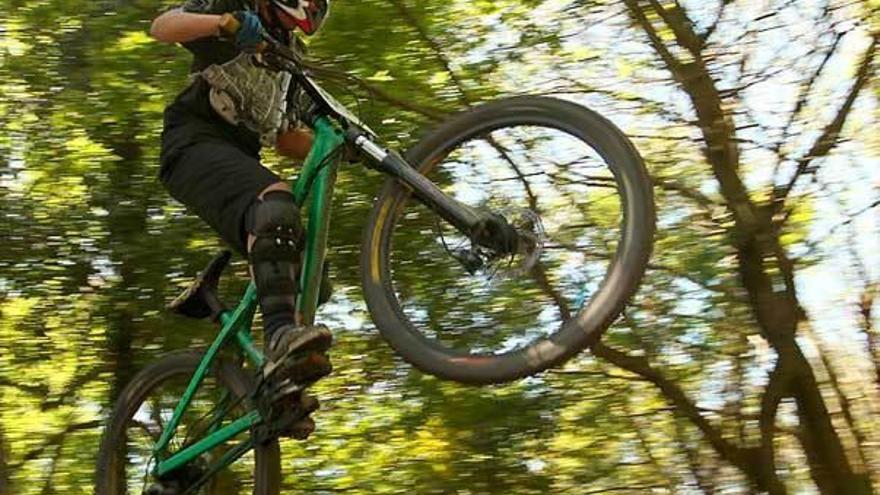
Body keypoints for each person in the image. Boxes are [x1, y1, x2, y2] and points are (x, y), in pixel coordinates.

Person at [150, 0, 332, 436]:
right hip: (192, 142)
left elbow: (285, 136)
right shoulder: (233, 8)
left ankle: (276, 382)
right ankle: (279, 335)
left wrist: (334, 142)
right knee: (276, 200)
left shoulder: (289, 58)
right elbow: (162, 26)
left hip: (238, 155)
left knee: (312, 274)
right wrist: (223, 24)